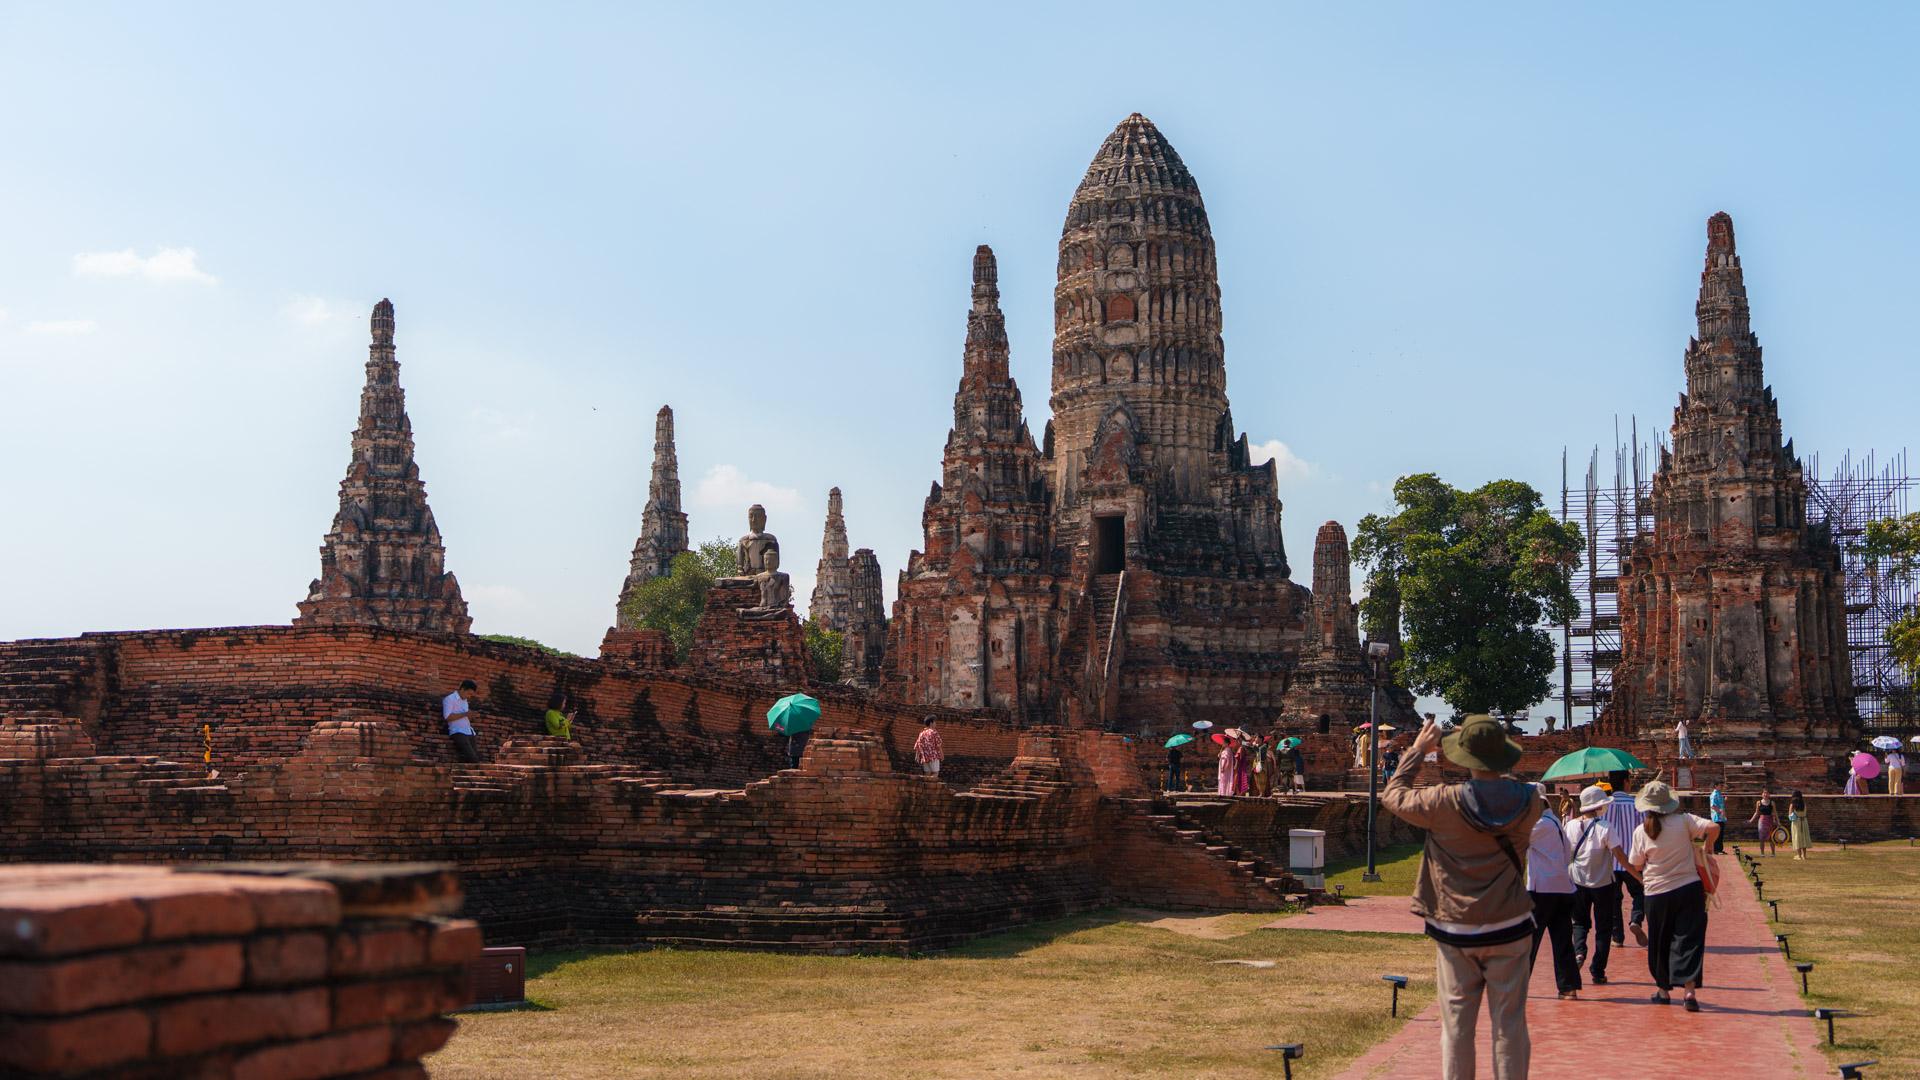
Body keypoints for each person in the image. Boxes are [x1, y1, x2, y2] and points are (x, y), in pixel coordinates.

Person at [1381, 715, 1544, 1080]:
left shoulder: (1442, 802)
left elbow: (1393, 795)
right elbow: (1515, 793)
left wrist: (1417, 751)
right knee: (1510, 1026)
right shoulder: (1531, 802)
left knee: (1456, 1028)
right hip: (1511, 926)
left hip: (1455, 929)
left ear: (1463, 758)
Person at [1628, 780, 1719, 1011]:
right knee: (1689, 940)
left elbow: (1636, 865)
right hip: (1688, 888)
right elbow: (1713, 827)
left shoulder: (1641, 831)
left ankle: (1663, 991)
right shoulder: (1684, 821)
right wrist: (1707, 848)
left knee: (1659, 942)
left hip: (1656, 893)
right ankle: (1688, 992)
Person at [1566, 785, 1634, 986]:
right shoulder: (1605, 827)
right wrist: (1637, 876)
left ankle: (1579, 952)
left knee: (1579, 923)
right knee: (1603, 927)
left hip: (1577, 881)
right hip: (1603, 883)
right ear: (1599, 806)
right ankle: (1598, 970)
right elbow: (1620, 857)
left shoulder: (1570, 826)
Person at [1526, 783, 1581, 999]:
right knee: (1562, 939)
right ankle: (1568, 987)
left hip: (1542, 890)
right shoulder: (1555, 823)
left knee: (1528, 940)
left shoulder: (1540, 825)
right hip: (1561, 888)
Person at [1600, 770, 1648, 945]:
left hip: (1610, 861)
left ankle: (1617, 937)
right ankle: (1636, 919)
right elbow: (1646, 831)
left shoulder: (1603, 806)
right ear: (1627, 782)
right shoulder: (1637, 805)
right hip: (1633, 861)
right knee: (1641, 892)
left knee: (1613, 900)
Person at [443, 680, 481, 763]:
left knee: (476, 758)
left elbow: (464, 715)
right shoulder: (449, 699)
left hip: (469, 731)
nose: (469, 696)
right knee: (472, 758)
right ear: (462, 689)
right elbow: (447, 717)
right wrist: (465, 714)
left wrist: (470, 715)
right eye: (469, 693)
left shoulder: (465, 701)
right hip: (458, 732)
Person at [1750, 790, 1779, 857]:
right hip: (1762, 821)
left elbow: (1775, 813)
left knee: (1771, 837)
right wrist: (1751, 820)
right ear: (1762, 794)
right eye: (1764, 793)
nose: (1765, 794)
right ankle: (1762, 853)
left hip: (1770, 820)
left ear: (1769, 795)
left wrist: (1778, 821)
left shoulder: (1772, 803)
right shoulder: (1758, 802)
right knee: (1761, 837)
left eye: (1767, 793)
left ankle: (1773, 853)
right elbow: (1756, 813)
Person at [1788, 790, 1813, 859]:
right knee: (1803, 838)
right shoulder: (1804, 803)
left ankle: (1799, 855)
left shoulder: (1792, 804)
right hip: (1804, 821)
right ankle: (1804, 855)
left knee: (1797, 838)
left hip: (1796, 822)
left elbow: (1790, 815)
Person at [1708, 783, 1727, 854]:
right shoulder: (1714, 794)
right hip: (1717, 817)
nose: (1721, 787)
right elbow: (1713, 806)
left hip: (1721, 817)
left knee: (1721, 834)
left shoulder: (1719, 794)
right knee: (1717, 834)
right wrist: (1719, 811)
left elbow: (1720, 804)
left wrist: (1724, 800)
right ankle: (1716, 849)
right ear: (1715, 786)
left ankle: (1720, 849)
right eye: (1720, 785)